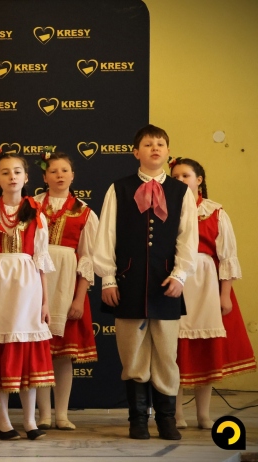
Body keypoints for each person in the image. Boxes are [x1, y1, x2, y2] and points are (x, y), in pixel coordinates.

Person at [94, 124, 198, 440]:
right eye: (149, 144)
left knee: (166, 356)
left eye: (160, 144)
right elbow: (106, 235)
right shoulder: (119, 189)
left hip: (166, 286)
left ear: (168, 151)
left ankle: (166, 420)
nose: (155, 148)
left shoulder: (181, 192)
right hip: (128, 284)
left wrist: (180, 274)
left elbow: (187, 237)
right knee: (133, 356)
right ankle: (138, 420)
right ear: (135, 152)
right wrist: (108, 278)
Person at [169, 157, 256, 429]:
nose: (180, 181)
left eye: (185, 176)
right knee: (173, 351)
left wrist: (225, 294)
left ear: (199, 180)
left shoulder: (215, 212)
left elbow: (227, 256)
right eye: (175, 177)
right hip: (176, 283)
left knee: (204, 352)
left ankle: (203, 414)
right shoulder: (164, 211)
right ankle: (176, 414)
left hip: (206, 285)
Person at [0, 151, 55, 441]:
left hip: (27, 288)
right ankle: (2, 421)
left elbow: (41, 261)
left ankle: (29, 420)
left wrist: (45, 301)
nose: (11, 177)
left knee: (27, 354)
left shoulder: (37, 214)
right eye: (5, 172)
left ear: (26, 178)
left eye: (17, 172)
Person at [32, 151, 99, 431]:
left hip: (66, 286)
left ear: (73, 176)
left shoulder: (85, 212)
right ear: (44, 177)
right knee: (39, 352)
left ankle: (61, 414)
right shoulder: (31, 206)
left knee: (62, 356)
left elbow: (88, 258)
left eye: (64, 170)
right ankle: (43, 415)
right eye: (53, 171)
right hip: (35, 282)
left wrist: (79, 298)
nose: (59, 175)